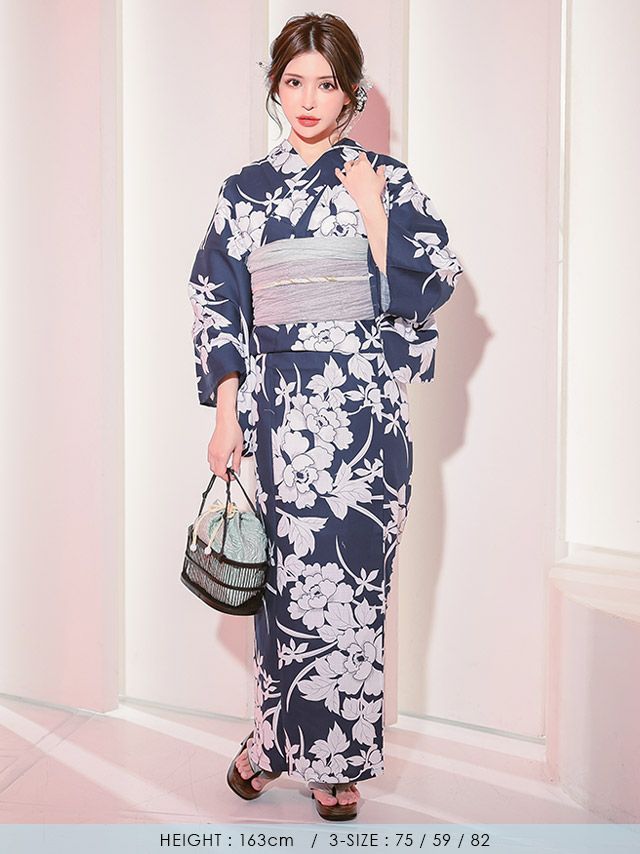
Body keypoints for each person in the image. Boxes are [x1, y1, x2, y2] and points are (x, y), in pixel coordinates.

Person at [187, 12, 463, 821]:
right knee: (288, 590)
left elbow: (436, 278)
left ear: (352, 93)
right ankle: (276, 743)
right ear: (276, 87)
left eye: (327, 84)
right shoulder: (244, 192)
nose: (309, 100)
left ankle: (327, 761)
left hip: (366, 417)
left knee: (354, 591)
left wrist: (375, 212)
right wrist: (226, 414)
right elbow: (216, 301)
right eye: (294, 81)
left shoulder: (389, 179)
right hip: (282, 416)